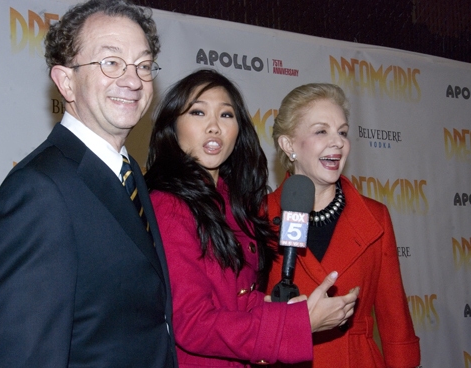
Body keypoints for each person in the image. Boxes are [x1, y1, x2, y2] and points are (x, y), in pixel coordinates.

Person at [0, 1, 177, 367]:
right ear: (66, 81)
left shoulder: (129, 172)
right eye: (111, 62)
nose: (133, 81)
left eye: (143, 66)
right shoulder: (39, 191)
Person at [145, 69, 359, 367]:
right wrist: (298, 324)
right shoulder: (168, 205)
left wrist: (281, 309)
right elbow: (191, 323)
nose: (214, 127)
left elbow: (234, 299)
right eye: (197, 112)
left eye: (226, 115)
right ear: (173, 126)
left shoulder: (232, 202)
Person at [267, 83, 420, 367]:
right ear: (288, 145)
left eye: (343, 132)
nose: (337, 142)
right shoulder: (258, 217)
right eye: (321, 131)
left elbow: (396, 323)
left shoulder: (376, 217)